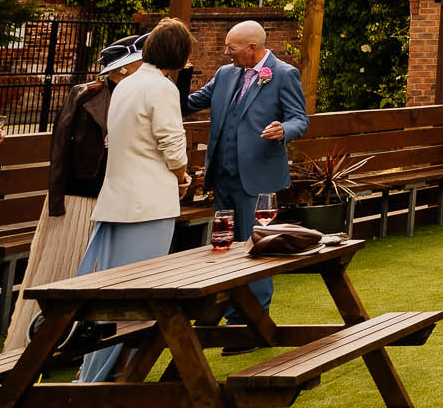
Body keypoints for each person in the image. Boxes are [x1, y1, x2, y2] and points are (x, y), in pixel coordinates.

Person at [4, 35, 143, 353]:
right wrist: (57, 202)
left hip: (112, 199)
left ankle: (82, 342)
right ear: (121, 69)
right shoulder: (86, 96)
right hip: (78, 199)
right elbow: (61, 150)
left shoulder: (136, 97)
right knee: (61, 268)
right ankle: (36, 341)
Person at [77, 19, 193, 383]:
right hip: (148, 204)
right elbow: (172, 145)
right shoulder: (161, 88)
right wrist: (183, 176)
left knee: (110, 293)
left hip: (117, 198)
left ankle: (98, 371)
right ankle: (114, 377)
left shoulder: (126, 84)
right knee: (138, 298)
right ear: (179, 55)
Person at [184, 19, 308, 318]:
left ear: (253, 48)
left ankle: (252, 320)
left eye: (232, 47)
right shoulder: (225, 74)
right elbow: (189, 103)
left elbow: (299, 119)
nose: (226, 52)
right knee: (223, 244)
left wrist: (284, 129)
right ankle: (224, 310)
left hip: (258, 180)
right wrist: (166, 82)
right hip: (222, 177)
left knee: (257, 246)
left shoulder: (283, 74)